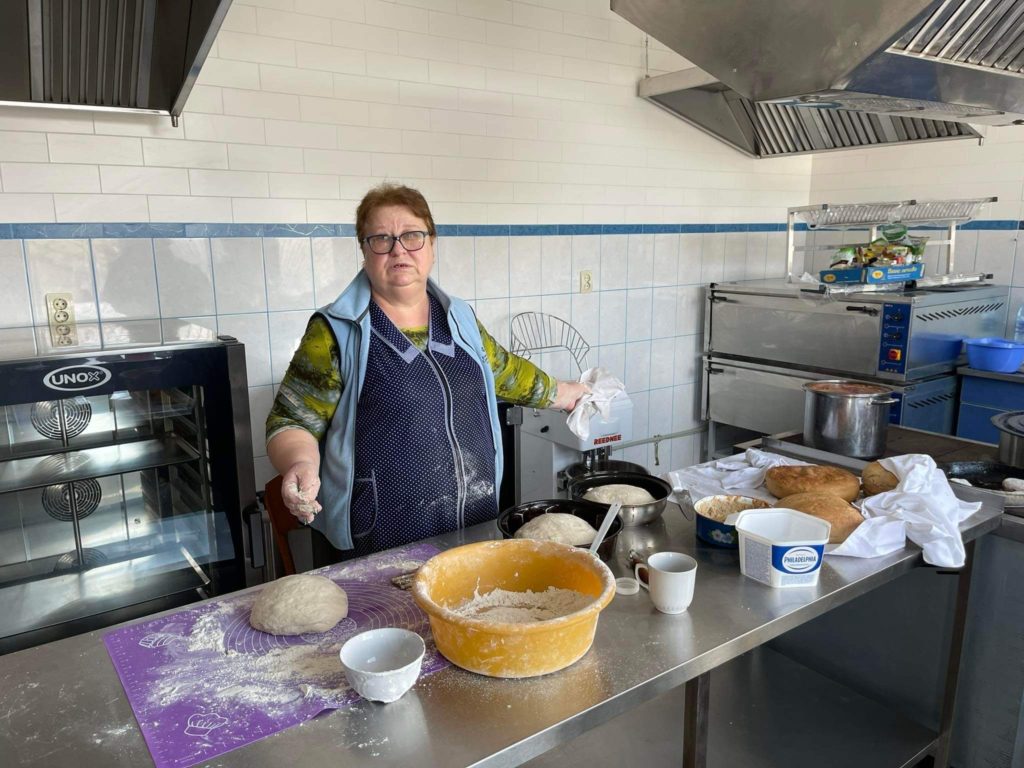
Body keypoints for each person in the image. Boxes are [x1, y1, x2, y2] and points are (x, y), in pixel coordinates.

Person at [266, 183, 588, 563]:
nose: (399, 249)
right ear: (364, 250)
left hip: (472, 523)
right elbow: (290, 421)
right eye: (381, 239)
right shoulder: (337, 330)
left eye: (412, 236)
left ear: (432, 245)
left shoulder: (460, 318)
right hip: (381, 534)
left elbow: (502, 370)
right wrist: (301, 463)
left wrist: (565, 392)